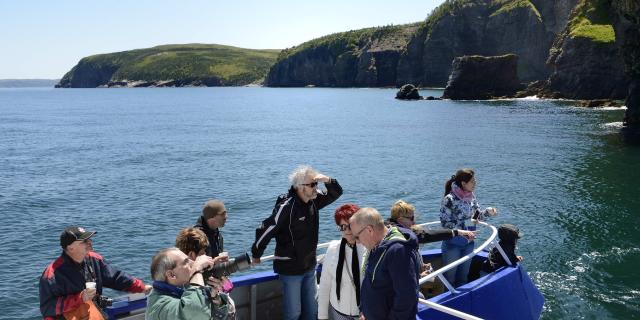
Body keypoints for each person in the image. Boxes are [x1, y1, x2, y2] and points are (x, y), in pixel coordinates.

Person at [251, 165, 343, 320]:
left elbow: (336, 193)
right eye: (312, 184)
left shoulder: (314, 200)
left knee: (312, 311)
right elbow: (266, 229)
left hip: (309, 266)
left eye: (316, 184)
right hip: (291, 268)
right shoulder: (287, 206)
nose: (316, 188)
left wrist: (327, 179)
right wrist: (256, 254)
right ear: (300, 187)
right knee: (293, 314)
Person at [39, 226, 152, 319]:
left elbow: (115, 278)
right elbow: (48, 308)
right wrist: (79, 298)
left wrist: (141, 287)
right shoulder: (52, 275)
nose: (90, 242)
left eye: (90, 239)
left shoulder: (94, 260)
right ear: (70, 247)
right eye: (84, 241)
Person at [349, 207, 420, 320]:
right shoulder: (376, 246)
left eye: (357, 237)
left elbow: (407, 298)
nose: (357, 242)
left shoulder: (397, 251)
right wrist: (365, 311)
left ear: (369, 230)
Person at [439, 169, 497, 288]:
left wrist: (487, 212)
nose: (475, 183)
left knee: (463, 278)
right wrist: (462, 228)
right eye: (472, 181)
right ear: (463, 183)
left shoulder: (472, 197)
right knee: (449, 280)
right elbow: (445, 223)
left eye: (474, 180)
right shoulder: (449, 199)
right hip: (453, 244)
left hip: (469, 243)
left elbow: (476, 216)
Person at [145, 247, 231, 320]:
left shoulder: (182, 289)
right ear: (171, 275)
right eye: (186, 262)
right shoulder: (158, 307)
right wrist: (197, 270)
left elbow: (217, 316)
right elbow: (197, 312)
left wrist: (215, 298)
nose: (193, 263)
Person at [318, 204, 366, 320]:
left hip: (362, 314)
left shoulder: (368, 249)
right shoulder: (333, 248)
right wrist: (322, 316)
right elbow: (325, 285)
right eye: (342, 226)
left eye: (350, 226)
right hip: (338, 313)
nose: (347, 231)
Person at [175, 227, 236, 318]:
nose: (207, 257)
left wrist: (216, 297)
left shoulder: (175, 278)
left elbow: (228, 287)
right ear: (192, 255)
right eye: (203, 253)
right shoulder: (190, 285)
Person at [388, 199, 476, 244]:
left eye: (414, 217)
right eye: (411, 218)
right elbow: (427, 235)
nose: (414, 221)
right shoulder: (401, 234)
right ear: (400, 220)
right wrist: (458, 232)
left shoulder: (388, 227)